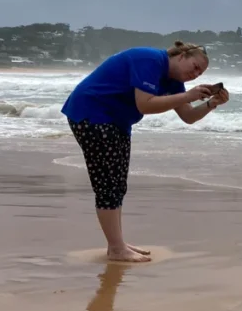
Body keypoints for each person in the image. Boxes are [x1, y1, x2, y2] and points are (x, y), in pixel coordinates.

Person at [60, 41, 229, 263]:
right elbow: (145, 105)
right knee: (107, 185)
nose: (196, 75)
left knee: (118, 185)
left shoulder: (174, 81)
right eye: (195, 67)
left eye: (201, 73)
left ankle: (116, 244)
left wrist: (211, 104)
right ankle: (116, 247)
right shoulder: (149, 60)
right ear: (181, 57)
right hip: (92, 112)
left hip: (117, 121)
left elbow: (187, 117)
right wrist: (189, 95)